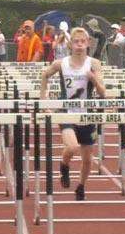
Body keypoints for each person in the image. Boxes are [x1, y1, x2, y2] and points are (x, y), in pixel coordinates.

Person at [39, 27, 107, 200]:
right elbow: (45, 76)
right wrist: (43, 98)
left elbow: (102, 92)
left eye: (82, 42)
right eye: (76, 42)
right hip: (66, 112)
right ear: (70, 44)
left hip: (86, 114)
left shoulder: (94, 63)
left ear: (88, 43)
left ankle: (81, 186)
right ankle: (64, 164)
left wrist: (94, 79)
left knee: (87, 159)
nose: (79, 45)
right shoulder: (61, 63)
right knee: (72, 147)